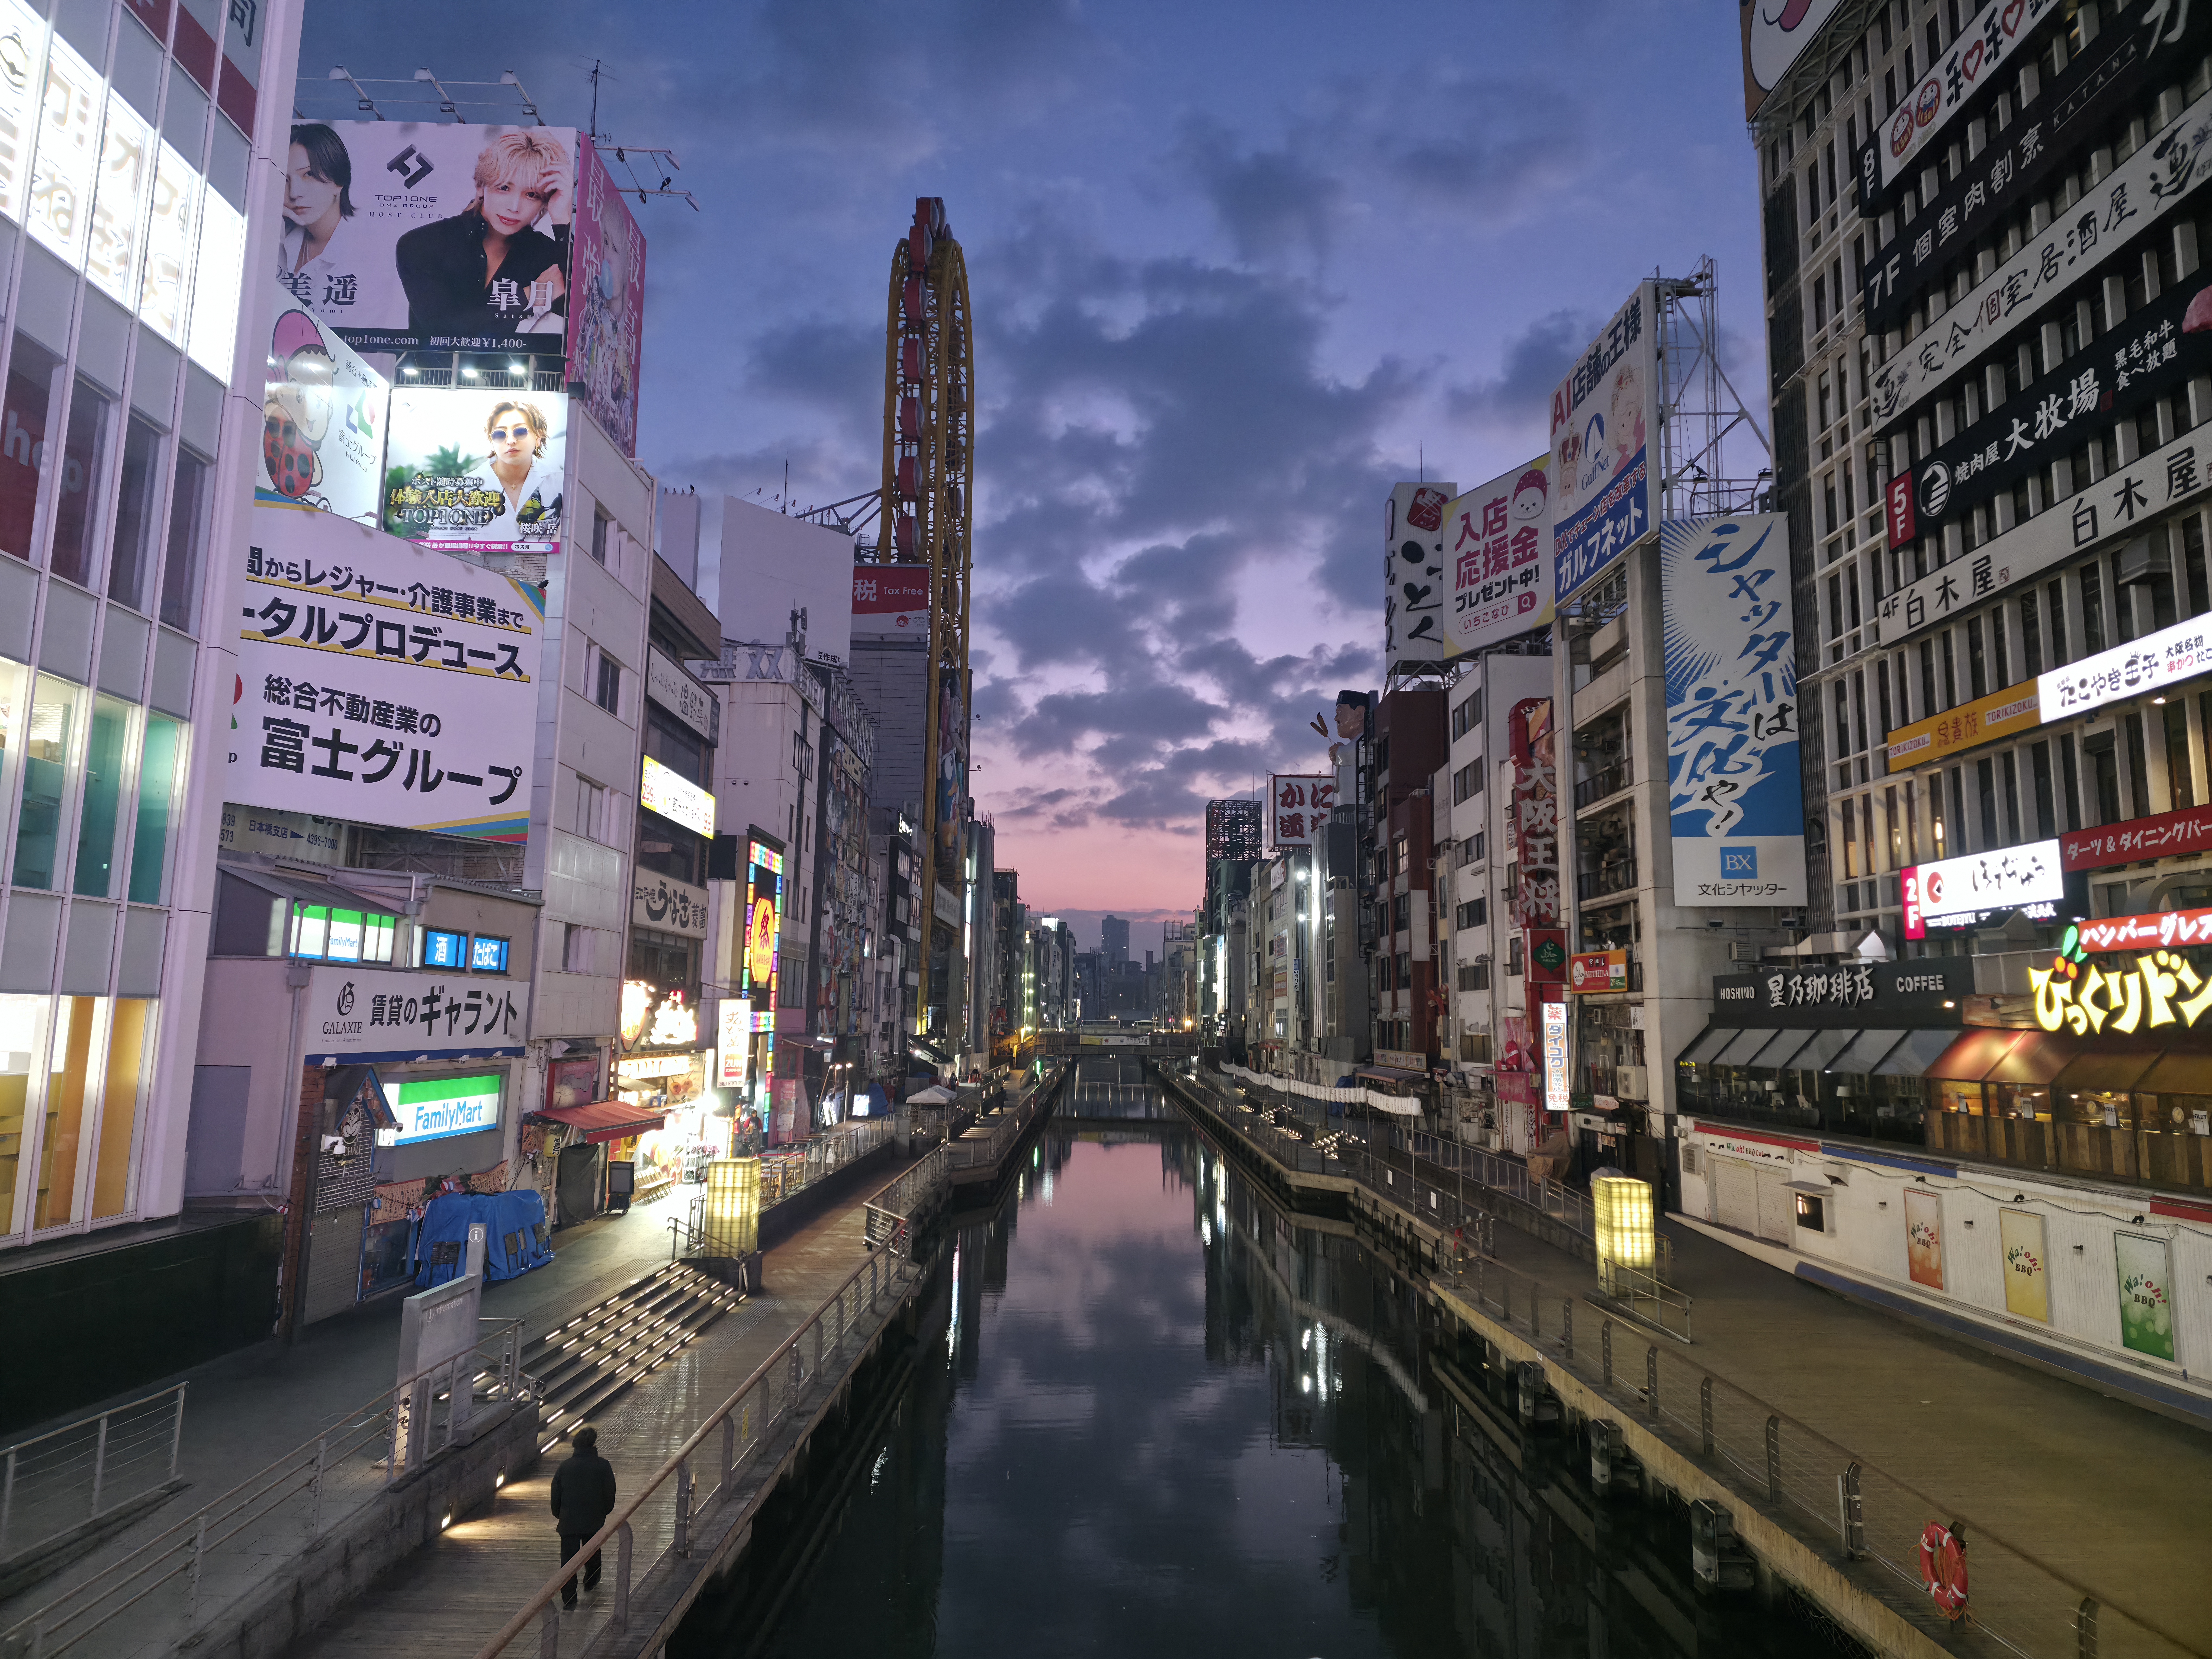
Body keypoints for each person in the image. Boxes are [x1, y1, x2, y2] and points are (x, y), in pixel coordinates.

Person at [396, 129, 571, 343]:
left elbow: (581, 324)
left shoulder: (548, 255)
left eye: (532, 195)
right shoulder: (422, 244)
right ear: (481, 186)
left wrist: (562, 220)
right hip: (430, 376)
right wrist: (533, 296)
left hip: (519, 377)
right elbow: (444, 332)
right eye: (504, 188)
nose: (515, 207)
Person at [450, 399, 562, 544]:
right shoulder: (463, 490)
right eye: (499, 434)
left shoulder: (561, 484)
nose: (511, 441)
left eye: (520, 431)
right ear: (491, 441)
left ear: (538, 436)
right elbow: (442, 545)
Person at [278, 124, 361, 319]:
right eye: (285, 179)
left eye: (309, 175)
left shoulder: (366, 255)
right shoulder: (283, 238)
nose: (294, 193)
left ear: (338, 181)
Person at [550, 1425, 616, 1609]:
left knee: (568, 1561)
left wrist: (559, 1513)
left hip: (569, 1520)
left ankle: (569, 1600)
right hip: (594, 1519)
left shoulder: (565, 1467)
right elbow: (610, 1493)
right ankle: (591, 1581)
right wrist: (605, 1511)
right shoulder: (603, 1466)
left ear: (575, 1447)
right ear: (593, 1445)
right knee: (593, 1552)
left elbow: (555, 1493)